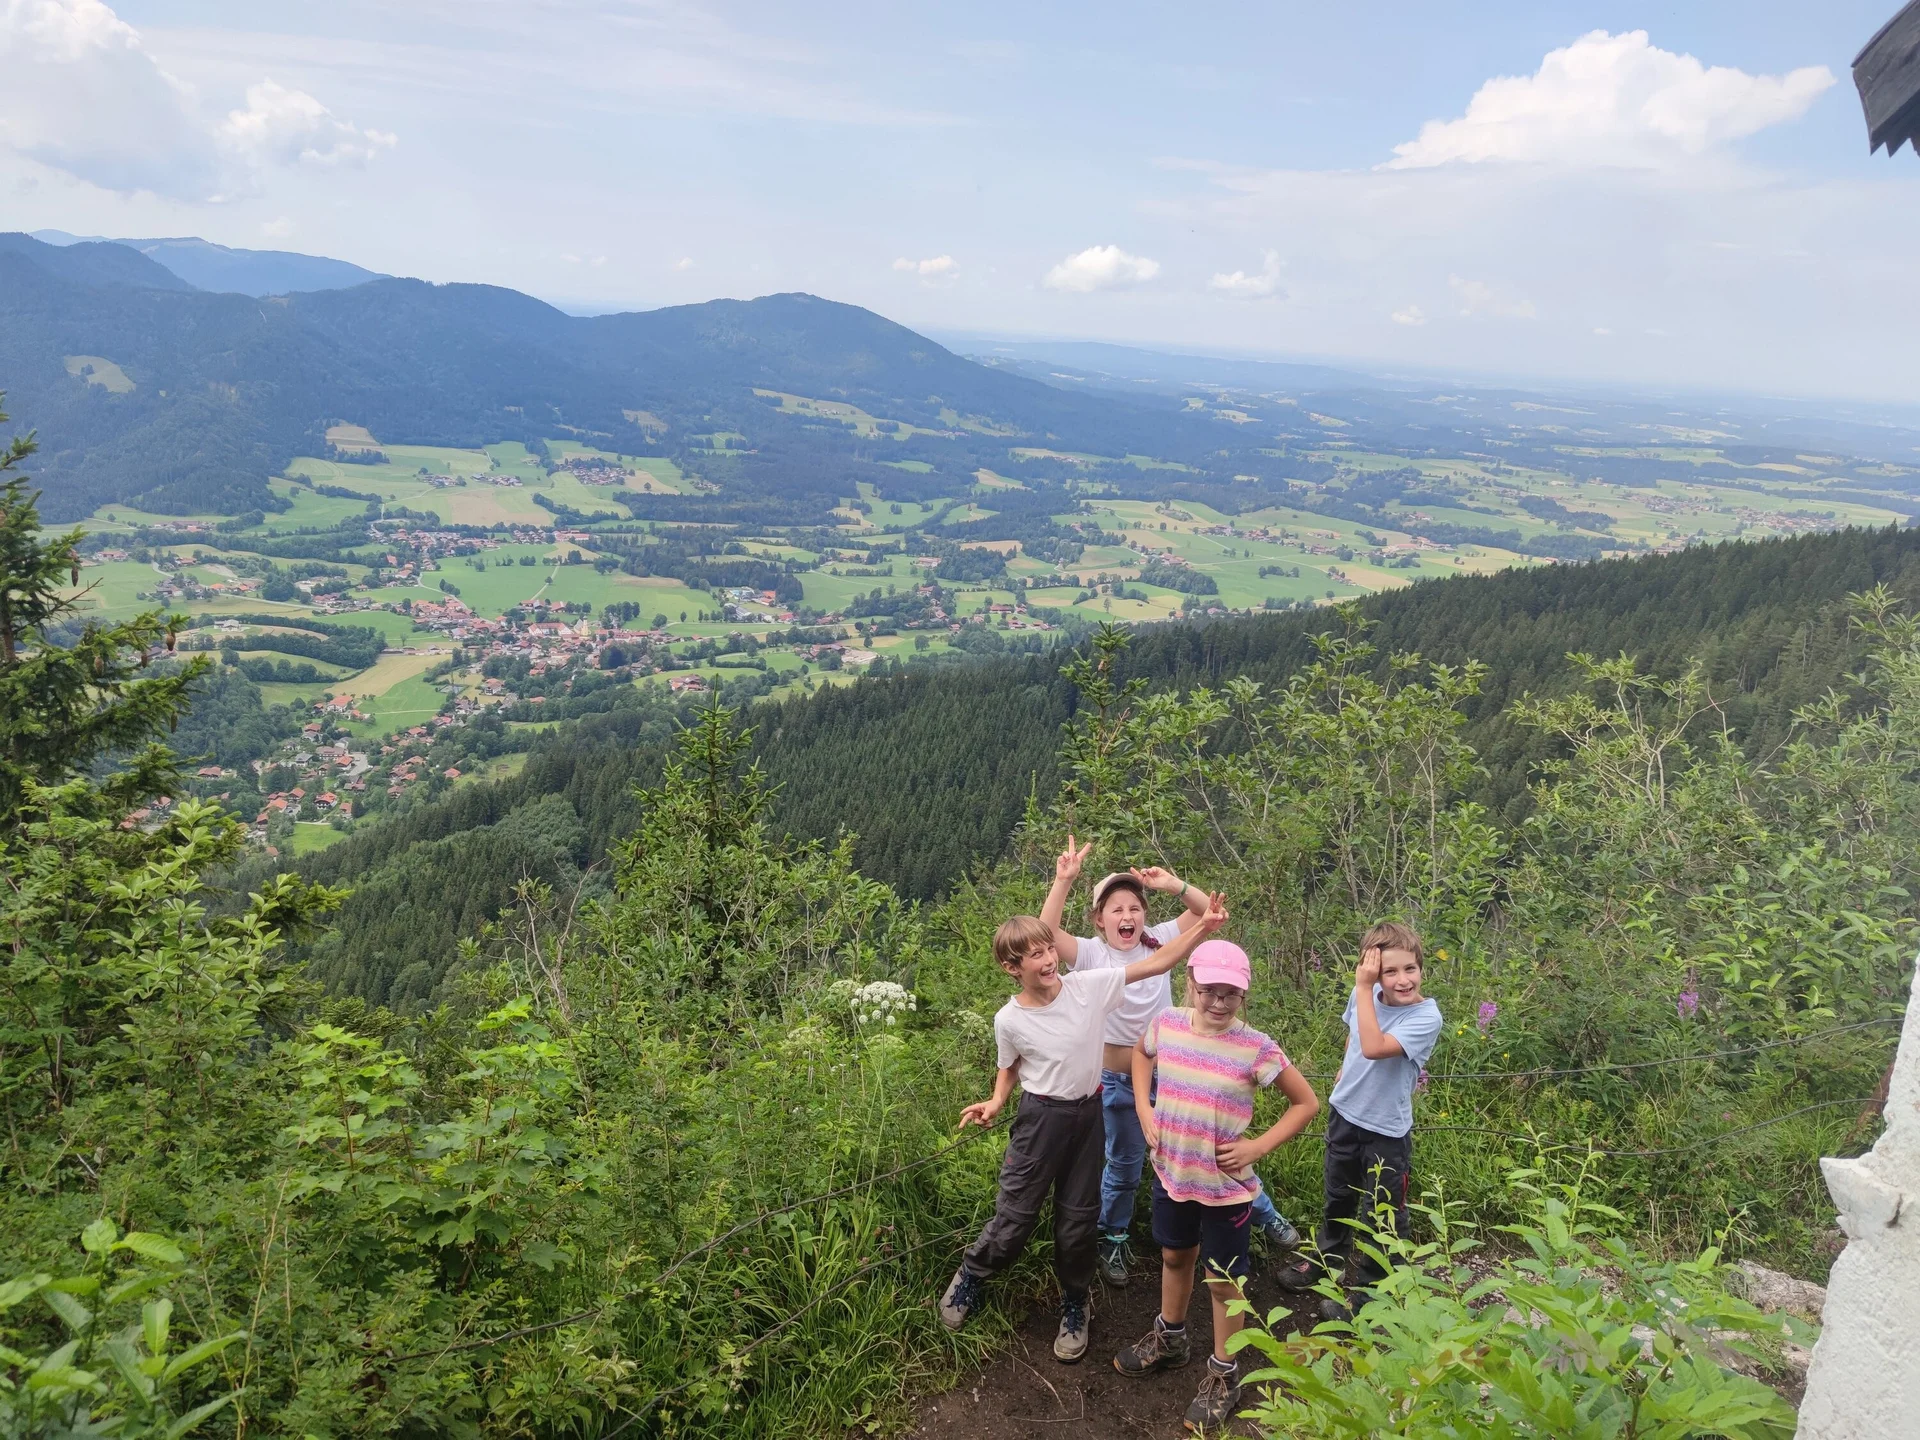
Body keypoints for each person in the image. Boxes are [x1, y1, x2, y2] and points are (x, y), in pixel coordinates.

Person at [938, 891, 1229, 1364]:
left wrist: (1203, 928)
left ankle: (1076, 1302)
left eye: (1048, 949)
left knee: (1077, 1223)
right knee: (1014, 1218)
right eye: (1035, 955)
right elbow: (1010, 1064)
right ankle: (972, 1274)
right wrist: (997, 1100)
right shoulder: (1008, 1019)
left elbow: (1156, 964)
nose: (1048, 959)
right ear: (1012, 968)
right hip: (1039, 1120)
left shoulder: (1087, 986)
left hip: (1088, 1115)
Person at [1040, 838, 1303, 1287]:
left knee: (1213, 1151)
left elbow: (1208, 912)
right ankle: (1114, 1236)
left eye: (1134, 907)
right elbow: (1044, 935)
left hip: (1179, 1073)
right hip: (1119, 1080)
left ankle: (1262, 1214)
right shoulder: (1090, 953)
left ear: (1145, 914)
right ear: (1099, 919)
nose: (1126, 915)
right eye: (1115, 909)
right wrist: (1063, 880)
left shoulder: (1159, 939)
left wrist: (1172, 884)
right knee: (1123, 1162)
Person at [1111, 939, 1320, 1431]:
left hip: (1226, 1187)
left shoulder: (1256, 1046)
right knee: (1174, 1256)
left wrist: (1256, 1148)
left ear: (1244, 994)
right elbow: (1141, 1054)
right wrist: (1143, 1107)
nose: (1219, 1002)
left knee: (1224, 1278)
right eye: (1209, 991)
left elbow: (1306, 1103)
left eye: (1231, 994)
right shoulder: (1167, 1025)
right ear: (1190, 984)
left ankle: (1225, 1372)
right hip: (1173, 1173)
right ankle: (1171, 1338)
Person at [1277, 921, 1442, 1320]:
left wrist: (1365, 987)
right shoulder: (1363, 994)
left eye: (1410, 968)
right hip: (1345, 1115)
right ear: (1373, 971)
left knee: (1383, 1215)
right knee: (1338, 1197)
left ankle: (1370, 1299)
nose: (1403, 980)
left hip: (1387, 1132)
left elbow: (1373, 1046)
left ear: (1421, 967)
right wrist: (1343, 1069)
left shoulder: (1426, 1016)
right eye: (1390, 971)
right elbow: (1356, 1035)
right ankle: (1326, 1263)